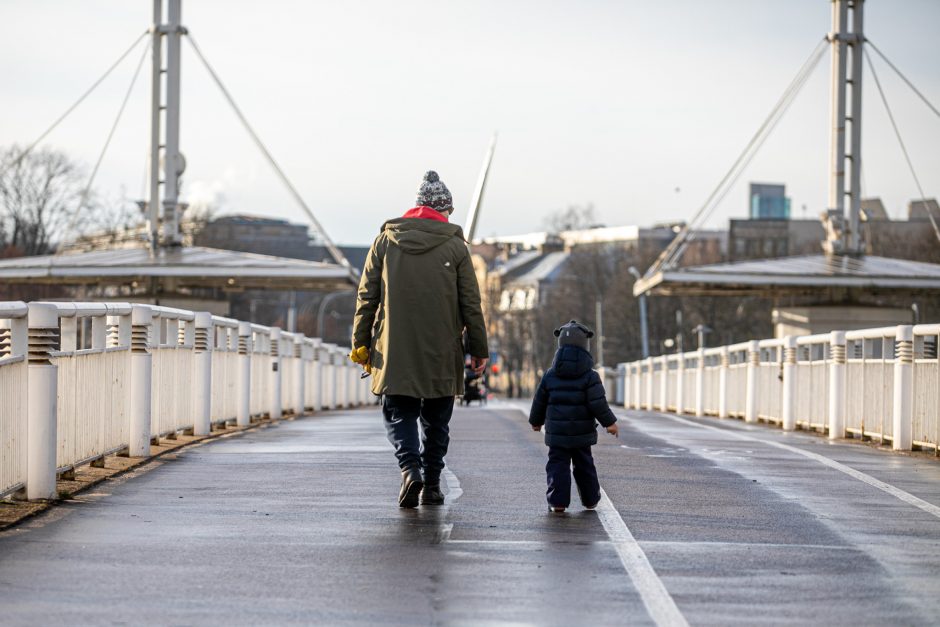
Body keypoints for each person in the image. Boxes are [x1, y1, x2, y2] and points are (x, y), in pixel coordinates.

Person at [351, 170, 489, 508]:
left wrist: (361, 343)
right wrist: (478, 350)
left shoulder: (385, 241)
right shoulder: (456, 246)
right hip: (442, 350)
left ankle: (409, 469)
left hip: (394, 349)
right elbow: (471, 302)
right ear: (444, 211)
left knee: (399, 413)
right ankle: (432, 485)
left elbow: (366, 297)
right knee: (437, 420)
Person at [528, 320, 618, 513]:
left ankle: (558, 502)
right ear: (585, 347)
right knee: (584, 465)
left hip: (557, 433)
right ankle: (590, 499)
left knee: (557, 465)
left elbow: (539, 401)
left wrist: (536, 421)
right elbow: (598, 404)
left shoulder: (550, 375)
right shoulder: (590, 376)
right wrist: (610, 423)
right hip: (581, 433)